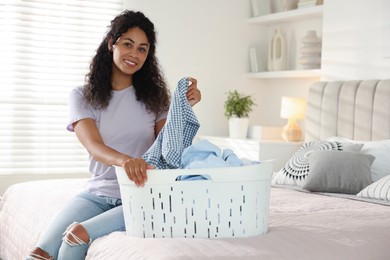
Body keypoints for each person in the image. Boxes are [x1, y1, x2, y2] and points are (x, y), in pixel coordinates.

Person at [27, 10, 201, 260]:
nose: (134, 54)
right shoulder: (82, 96)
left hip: (142, 193)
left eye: (142, 49)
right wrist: (125, 161)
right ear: (112, 43)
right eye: (128, 44)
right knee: (39, 253)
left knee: (75, 237)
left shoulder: (156, 99)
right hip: (98, 193)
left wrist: (182, 109)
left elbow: (169, 148)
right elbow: (94, 146)